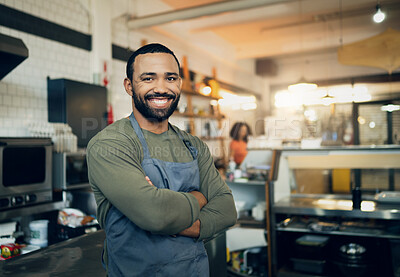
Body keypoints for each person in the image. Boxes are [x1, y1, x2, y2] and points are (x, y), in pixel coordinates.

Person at [86, 43, 237, 277]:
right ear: (129, 86)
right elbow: (156, 215)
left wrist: (172, 219)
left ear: (179, 84)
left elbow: (227, 210)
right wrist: (199, 197)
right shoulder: (110, 144)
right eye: (148, 78)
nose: (161, 88)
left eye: (170, 78)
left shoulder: (194, 145)